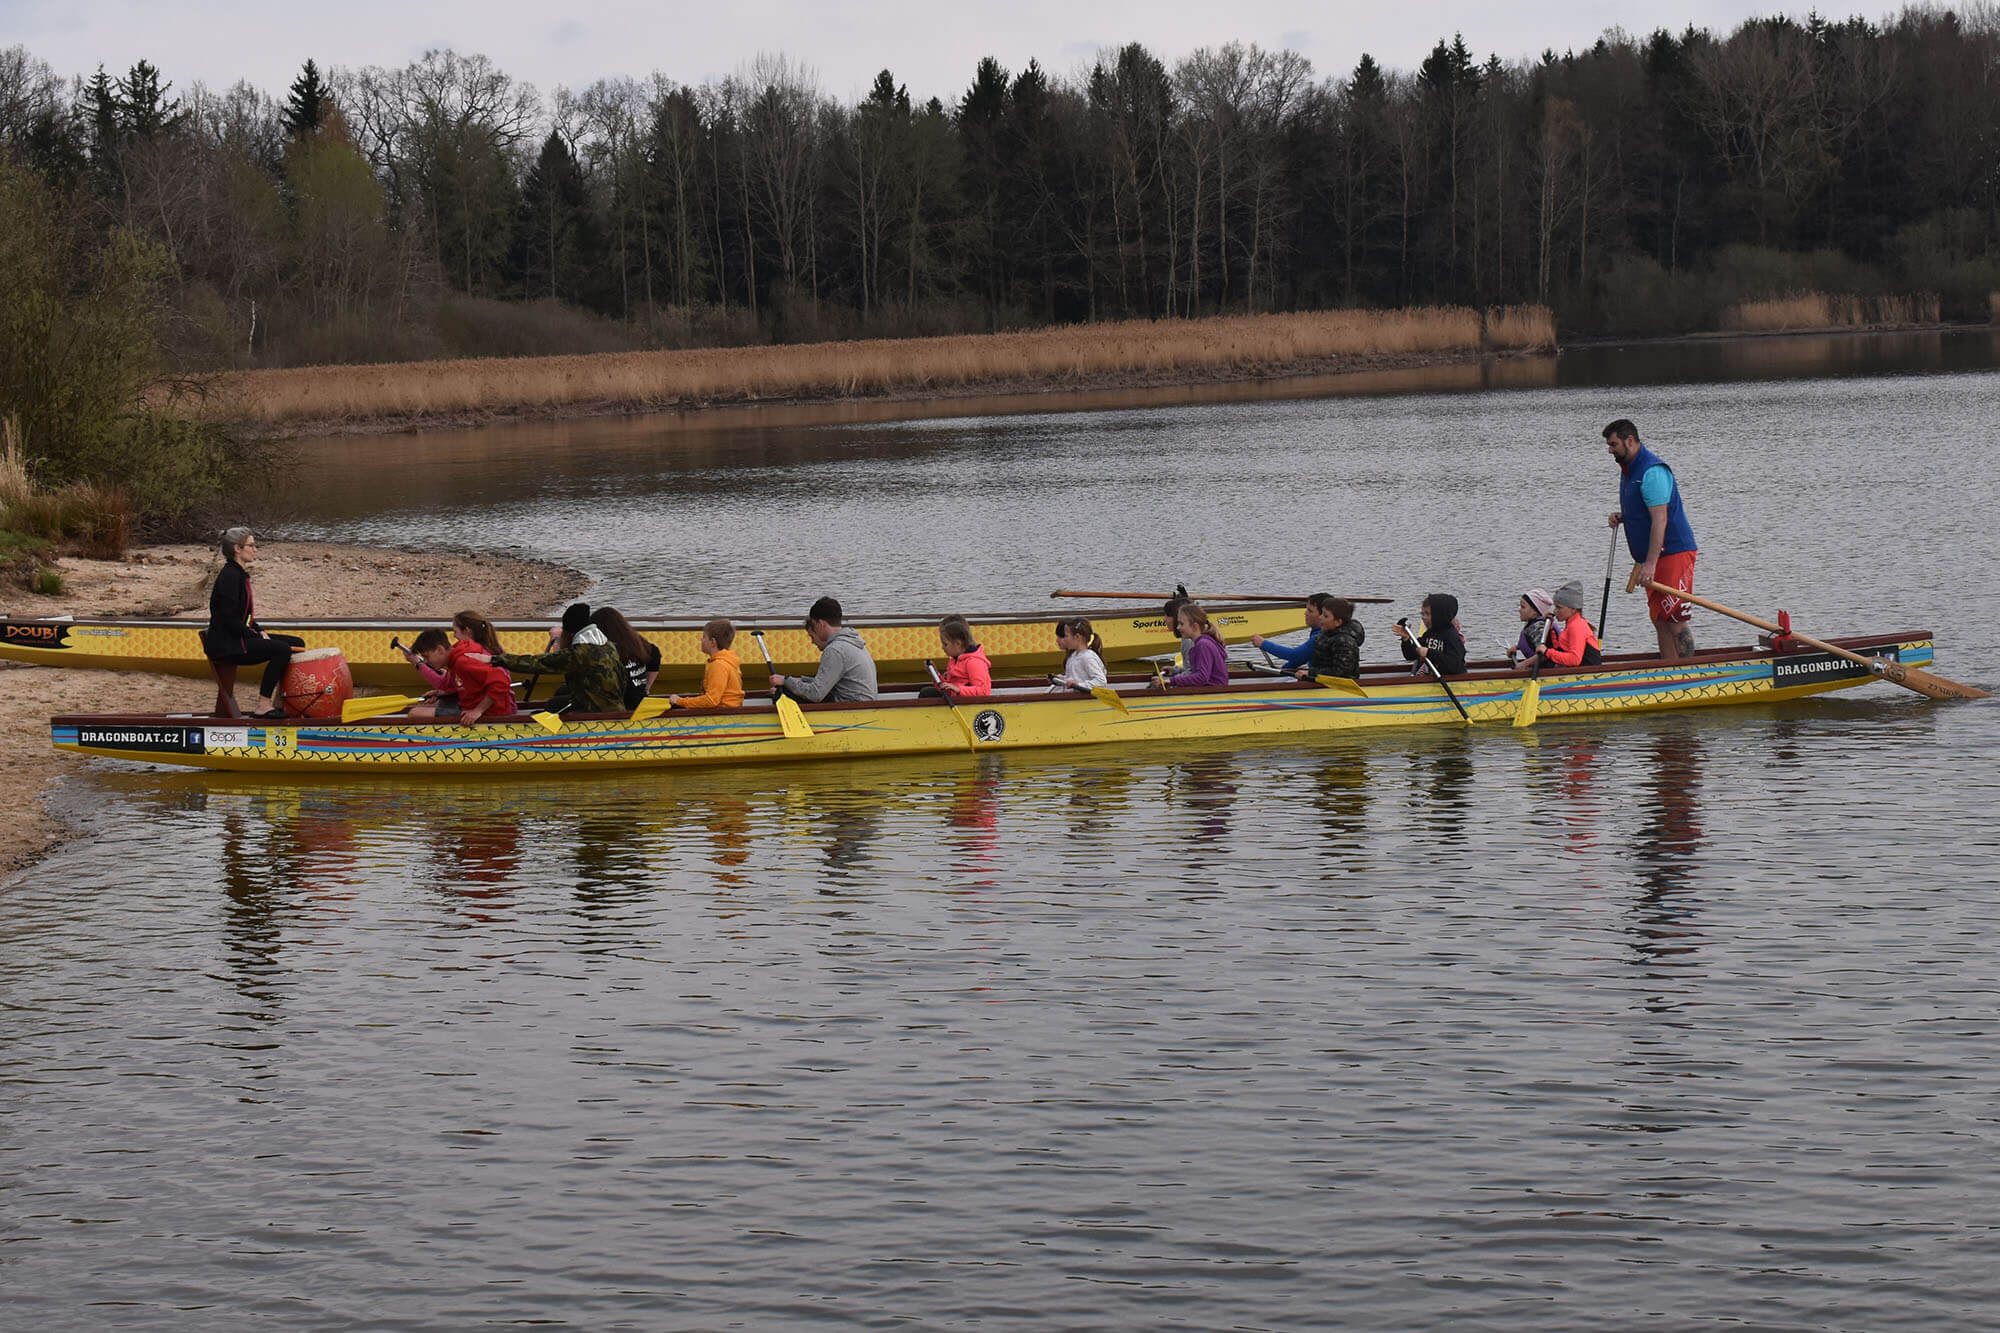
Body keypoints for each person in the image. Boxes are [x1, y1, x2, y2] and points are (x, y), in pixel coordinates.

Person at [1604, 418, 1698, 663]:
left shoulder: (1652, 471)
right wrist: (1623, 517)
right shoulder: (1629, 470)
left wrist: (1650, 564)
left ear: (1630, 441)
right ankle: (1671, 673)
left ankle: (1690, 676)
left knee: (1675, 619)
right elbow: (1644, 510)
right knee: (1659, 619)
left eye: (1614, 444)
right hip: (1653, 558)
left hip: (1672, 554)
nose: (1610, 450)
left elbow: (1660, 520)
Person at [202, 527, 305, 718]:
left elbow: (244, 617)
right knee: (281, 650)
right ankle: (263, 705)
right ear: (237, 549)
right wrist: (256, 636)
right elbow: (229, 619)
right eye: (251, 545)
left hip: (237, 638)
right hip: (227, 645)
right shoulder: (229, 577)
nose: (255, 549)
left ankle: (279, 701)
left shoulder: (239, 574)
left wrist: (259, 629)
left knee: (296, 644)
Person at [483, 605, 625, 713]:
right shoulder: (609, 646)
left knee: (552, 704)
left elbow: (537, 663)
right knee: (562, 690)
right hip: (616, 705)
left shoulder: (579, 653)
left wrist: (495, 659)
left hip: (595, 710)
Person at [770, 596, 879, 703]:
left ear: (820, 624)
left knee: (781, 694)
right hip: (862, 702)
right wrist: (800, 680)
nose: (812, 641)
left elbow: (815, 694)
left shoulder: (835, 650)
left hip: (853, 707)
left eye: (813, 625)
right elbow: (826, 683)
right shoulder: (854, 641)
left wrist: (785, 681)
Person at [408, 619, 516, 723]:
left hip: (491, 712)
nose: (425, 662)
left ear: (440, 649)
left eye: (426, 656)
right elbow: (466, 686)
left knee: (414, 713)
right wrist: (441, 693)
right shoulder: (455, 657)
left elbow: (501, 681)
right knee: (424, 705)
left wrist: (478, 711)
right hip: (470, 704)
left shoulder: (463, 662)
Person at [592, 606, 662, 708]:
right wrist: (646, 688)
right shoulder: (637, 642)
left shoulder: (606, 650)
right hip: (639, 700)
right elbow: (655, 654)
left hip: (620, 705)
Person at [669, 619, 745, 710]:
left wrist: (679, 701)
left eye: (704, 637)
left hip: (723, 713)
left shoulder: (719, 665)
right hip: (732, 711)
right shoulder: (728, 660)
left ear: (713, 642)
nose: (701, 639)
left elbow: (711, 701)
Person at [1251, 593, 1332, 671]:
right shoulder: (1318, 632)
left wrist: (1263, 643)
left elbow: (1293, 655)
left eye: (1310, 611)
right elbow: (1302, 657)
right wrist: (1284, 669)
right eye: (1306, 609)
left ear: (1324, 615)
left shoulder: (1322, 636)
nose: (1305, 613)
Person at [1536, 581, 1604, 669]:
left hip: (1589, 673)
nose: (1555, 611)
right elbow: (1560, 649)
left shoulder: (1576, 626)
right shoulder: (1572, 623)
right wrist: (1551, 629)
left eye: (1559, 608)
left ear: (1573, 609)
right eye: (1555, 607)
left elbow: (1575, 659)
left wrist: (1547, 652)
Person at [1395, 594, 1467, 676]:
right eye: (1422, 613)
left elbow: (1454, 665)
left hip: (1453, 680)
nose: (1423, 617)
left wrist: (1429, 653)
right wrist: (1406, 639)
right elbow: (1410, 655)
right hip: (1433, 677)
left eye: (1427, 614)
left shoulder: (1452, 636)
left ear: (1439, 616)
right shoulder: (1429, 634)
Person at [923, 615, 992, 701]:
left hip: (966, 704)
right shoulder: (954, 660)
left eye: (945, 644)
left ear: (958, 643)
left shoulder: (974, 663)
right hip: (956, 700)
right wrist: (935, 674)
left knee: (926, 693)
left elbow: (984, 692)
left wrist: (959, 689)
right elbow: (948, 689)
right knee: (926, 692)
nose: (942, 648)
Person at [1296, 597, 1364, 682]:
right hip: (1319, 680)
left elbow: (1341, 672)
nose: (1320, 617)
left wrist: (1311, 673)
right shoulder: (1325, 634)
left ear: (1338, 622)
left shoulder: (1344, 642)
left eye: (1325, 616)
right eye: (1321, 614)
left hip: (1340, 684)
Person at [1167, 602, 1230, 688]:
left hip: (1213, 692)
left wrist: (1172, 681)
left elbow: (1202, 677)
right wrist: (1176, 671)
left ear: (1194, 627)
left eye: (1181, 624)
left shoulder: (1203, 645)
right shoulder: (1203, 642)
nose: (1178, 627)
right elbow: (1196, 671)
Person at [1050, 618, 1108, 692]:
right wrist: (1061, 679)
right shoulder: (1073, 656)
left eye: (1066, 636)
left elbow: (1101, 682)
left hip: (1084, 699)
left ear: (1077, 637)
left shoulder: (1088, 657)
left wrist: (1079, 685)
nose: (1064, 639)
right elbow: (1073, 678)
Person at [1510, 589, 1555, 666]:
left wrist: (1524, 664)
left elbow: (1544, 654)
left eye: (1523, 607)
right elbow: (1532, 642)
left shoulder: (1537, 627)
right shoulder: (1534, 625)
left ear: (1535, 612)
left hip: (1548, 668)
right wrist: (1517, 647)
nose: (1519, 610)